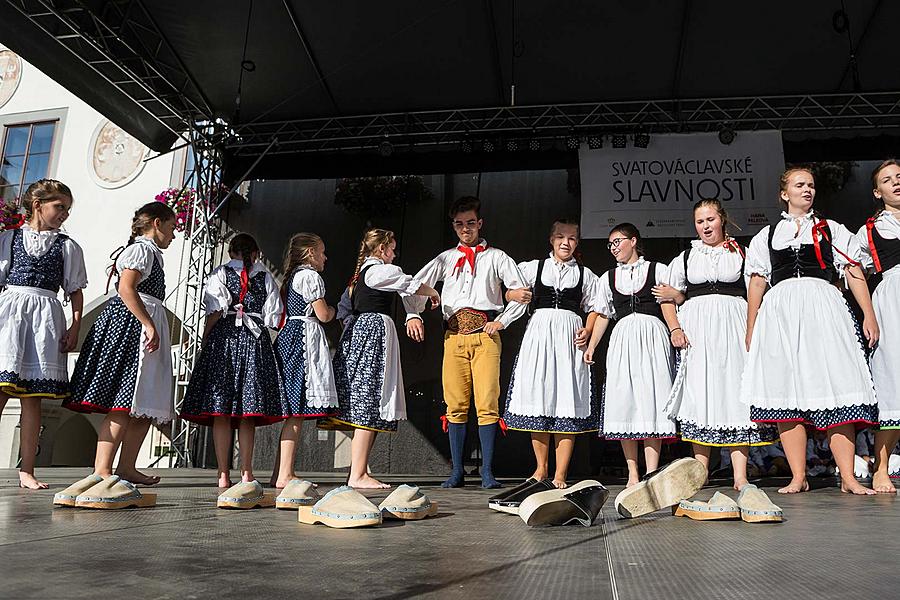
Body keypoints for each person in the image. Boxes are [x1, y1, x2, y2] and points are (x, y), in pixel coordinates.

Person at [742, 167, 878, 495]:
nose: (807, 190)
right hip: (781, 312)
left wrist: (868, 314)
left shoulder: (830, 229)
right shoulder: (767, 234)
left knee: (836, 382)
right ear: (784, 193)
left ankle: (847, 476)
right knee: (787, 390)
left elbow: (853, 270)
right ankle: (798, 475)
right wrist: (751, 324)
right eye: (799, 185)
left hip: (823, 307)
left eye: (811, 185)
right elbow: (757, 280)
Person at [404, 196, 528, 489]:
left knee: (487, 403)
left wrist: (502, 320)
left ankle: (486, 470)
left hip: (485, 337)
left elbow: (522, 292)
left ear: (480, 223)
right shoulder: (446, 258)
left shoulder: (496, 257)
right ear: (454, 226)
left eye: (470, 223)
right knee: (455, 404)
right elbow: (413, 286)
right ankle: (457, 469)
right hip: (454, 337)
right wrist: (413, 315)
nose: (465, 229)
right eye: (459, 224)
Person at [655, 199, 777, 491]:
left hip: (734, 327)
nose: (705, 226)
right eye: (700, 221)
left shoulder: (741, 253)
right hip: (698, 332)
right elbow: (665, 297)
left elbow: (756, 292)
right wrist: (675, 328)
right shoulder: (686, 257)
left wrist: (754, 329)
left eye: (710, 219)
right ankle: (700, 473)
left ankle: (740, 475)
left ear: (721, 220)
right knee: (702, 395)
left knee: (735, 393)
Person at [63, 201, 177, 491]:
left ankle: (126, 466)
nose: (174, 235)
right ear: (157, 223)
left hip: (146, 323)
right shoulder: (140, 250)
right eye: (172, 227)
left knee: (144, 403)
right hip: (132, 326)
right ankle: (102, 468)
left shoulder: (152, 254)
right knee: (124, 401)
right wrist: (148, 323)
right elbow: (126, 288)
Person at [332, 228, 440, 489]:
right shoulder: (380, 271)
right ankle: (357, 474)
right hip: (373, 333)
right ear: (382, 249)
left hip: (358, 333)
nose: (394, 254)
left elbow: (343, 311)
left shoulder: (357, 278)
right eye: (391, 248)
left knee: (368, 401)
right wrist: (433, 293)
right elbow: (409, 284)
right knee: (369, 399)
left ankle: (358, 472)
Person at [180, 233, 286, 488]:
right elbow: (273, 316)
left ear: (231, 253)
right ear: (256, 253)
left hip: (224, 341)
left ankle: (223, 475)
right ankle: (247, 473)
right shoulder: (265, 277)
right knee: (246, 412)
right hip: (253, 340)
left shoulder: (220, 274)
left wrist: (206, 338)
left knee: (222, 411)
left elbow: (215, 311)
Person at [0, 179, 86, 489]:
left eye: (67, 209)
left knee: (33, 397)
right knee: (0, 389)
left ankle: (27, 470)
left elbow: (74, 291)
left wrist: (75, 325)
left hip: (46, 316)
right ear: (38, 205)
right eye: (59, 207)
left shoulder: (67, 246)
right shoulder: (9, 239)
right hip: (10, 312)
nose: (64, 214)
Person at [503, 219, 601, 488]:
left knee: (566, 400)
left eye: (571, 238)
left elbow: (596, 307)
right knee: (540, 397)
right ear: (551, 239)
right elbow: (511, 291)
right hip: (540, 335)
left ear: (577, 242)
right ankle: (540, 469)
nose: (565, 242)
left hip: (569, 337)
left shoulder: (585, 274)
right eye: (560, 237)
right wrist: (512, 296)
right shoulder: (534, 268)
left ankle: (560, 474)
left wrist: (588, 328)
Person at [584, 223, 678, 486]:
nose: (614, 248)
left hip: (652, 334)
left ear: (633, 241)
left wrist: (675, 329)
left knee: (652, 397)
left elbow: (670, 301)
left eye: (618, 242)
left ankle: (651, 471)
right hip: (623, 337)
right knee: (623, 398)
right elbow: (603, 314)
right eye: (610, 244)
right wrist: (592, 345)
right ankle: (633, 473)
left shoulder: (657, 270)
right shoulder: (608, 277)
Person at [272, 233, 339, 488]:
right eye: (322, 251)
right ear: (310, 252)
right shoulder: (310, 276)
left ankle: (280, 472)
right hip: (303, 339)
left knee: (294, 410)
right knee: (297, 410)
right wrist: (336, 310)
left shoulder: (292, 278)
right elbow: (322, 315)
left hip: (291, 336)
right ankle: (285, 474)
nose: (325, 257)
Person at [856, 158, 900, 493]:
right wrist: (868, 313)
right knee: (893, 382)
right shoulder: (870, 230)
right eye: (887, 179)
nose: (896, 182)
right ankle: (881, 467)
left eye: (899, 176)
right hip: (892, 302)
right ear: (877, 191)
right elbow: (854, 272)